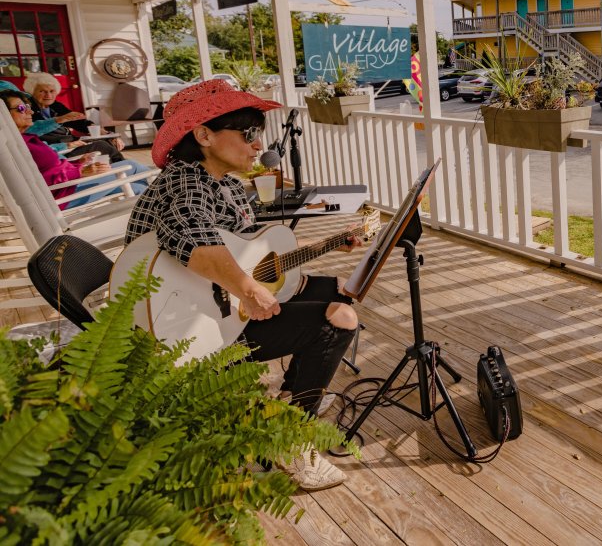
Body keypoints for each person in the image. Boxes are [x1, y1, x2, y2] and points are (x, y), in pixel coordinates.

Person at [123, 79, 360, 491]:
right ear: (203, 135)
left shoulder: (227, 183)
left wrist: (331, 244)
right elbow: (192, 240)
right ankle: (293, 439)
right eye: (248, 134)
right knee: (337, 319)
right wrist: (248, 289)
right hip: (186, 325)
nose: (257, 146)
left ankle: (294, 398)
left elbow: (249, 250)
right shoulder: (185, 182)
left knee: (333, 291)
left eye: (259, 135)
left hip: (216, 306)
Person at [3, 88, 150, 209]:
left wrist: (78, 163)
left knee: (138, 188)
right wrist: (79, 171)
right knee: (134, 167)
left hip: (67, 186)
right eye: (21, 108)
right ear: (3, 115)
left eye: (28, 107)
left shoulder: (25, 139)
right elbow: (33, 181)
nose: (30, 112)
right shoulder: (14, 146)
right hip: (63, 194)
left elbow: (50, 169)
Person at [17, 75, 126, 161]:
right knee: (101, 145)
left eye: (51, 91)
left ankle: (114, 169)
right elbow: (33, 133)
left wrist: (108, 134)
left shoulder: (55, 106)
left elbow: (79, 122)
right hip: (59, 150)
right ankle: (124, 167)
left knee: (108, 141)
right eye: (42, 91)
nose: (48, 95)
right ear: (32, 92)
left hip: (72, 143)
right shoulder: (28, 110)